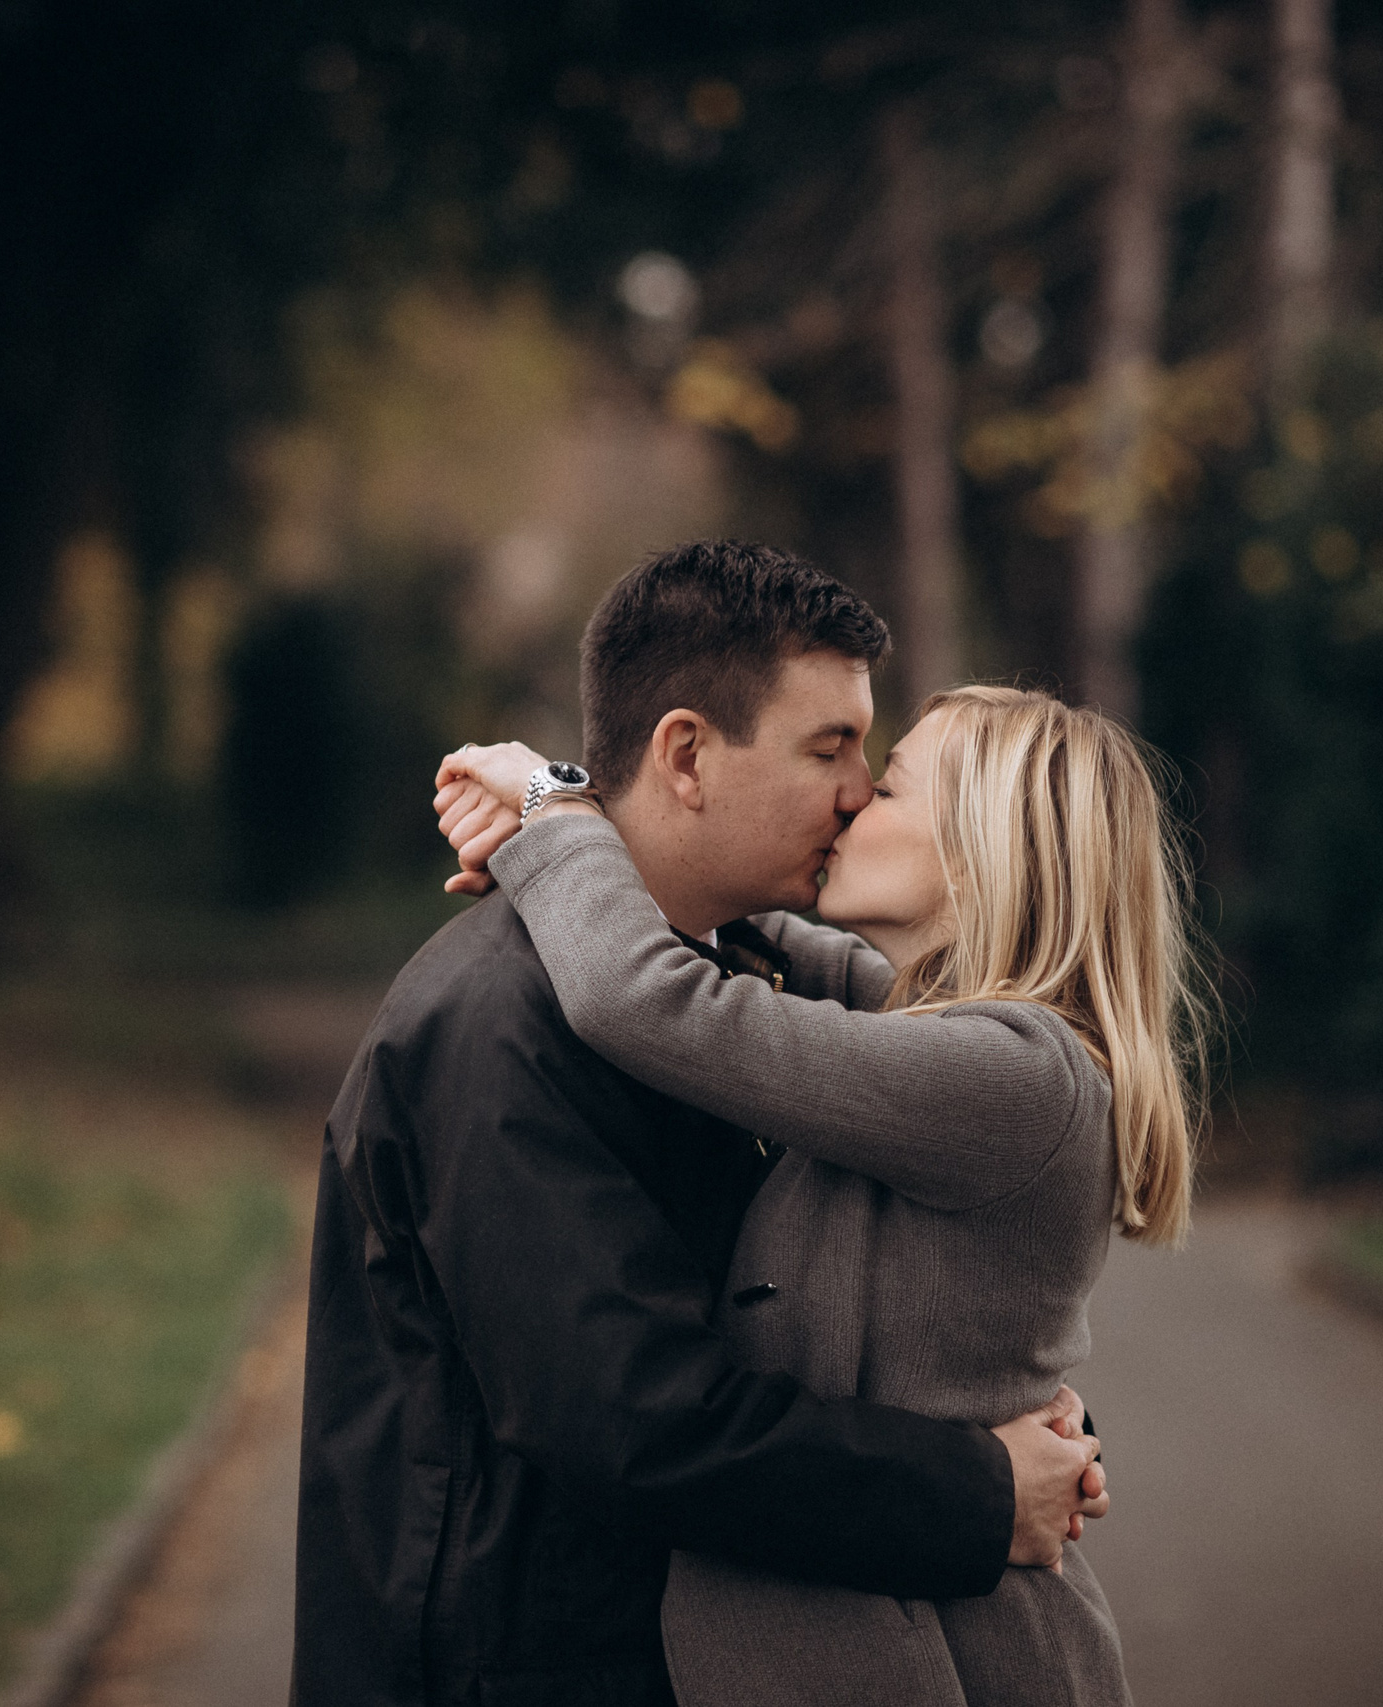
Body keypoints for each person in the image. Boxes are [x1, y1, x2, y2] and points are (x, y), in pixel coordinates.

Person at [292, 542, 1109, 1707]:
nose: (854, 790)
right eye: (829, 748)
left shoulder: (740, 985)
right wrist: (977, 1491)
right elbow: (639, 1423)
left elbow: (850, 1311)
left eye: (873, 762)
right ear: (684, 755)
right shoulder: (503, 1027)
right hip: (521, 1666)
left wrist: (1020, 1425)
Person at [433, 680, 1204, 1707]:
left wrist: (551, 810)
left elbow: (654, 998)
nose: (849, 804)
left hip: (944, 1663)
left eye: (884, 790)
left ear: (980, 854)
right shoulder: (949, 1040)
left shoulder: (1010, 1077)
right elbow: (756, 943)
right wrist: (587, 822)